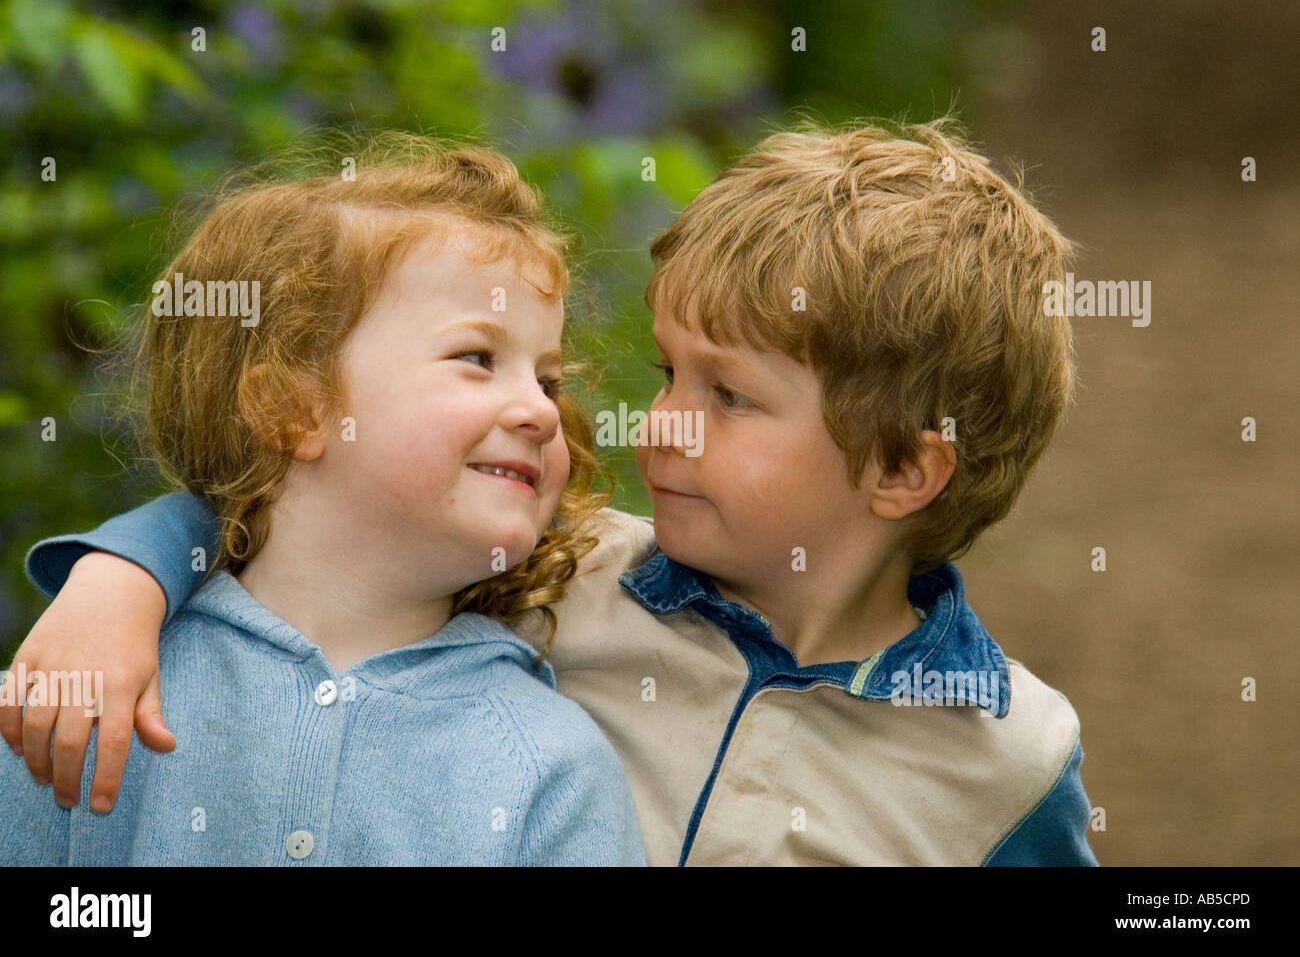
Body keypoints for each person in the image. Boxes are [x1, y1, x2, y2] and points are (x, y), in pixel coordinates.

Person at [5, 117, 1097, 865]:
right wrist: (119, 587)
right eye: (670, 372)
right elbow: (304, 523)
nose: (655, 420)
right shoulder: (570, 578)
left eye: (730, 396)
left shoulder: (1010, 755)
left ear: (903, 468)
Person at [0, 133, 645, 866]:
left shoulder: (554, 765)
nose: (540, 411)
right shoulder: (92, 690)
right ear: (292, 408)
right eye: (477, 358)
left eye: (549, 380)